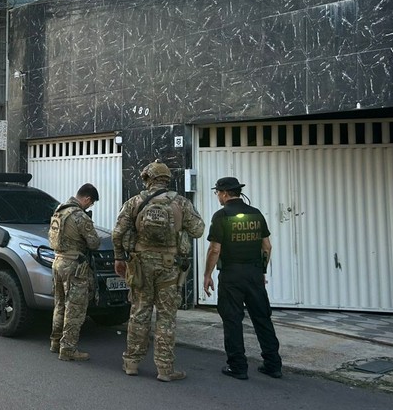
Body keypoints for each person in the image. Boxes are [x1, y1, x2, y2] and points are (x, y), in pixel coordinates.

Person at [113, 161, 205, 381]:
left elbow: (118, 233)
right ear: (166, 179)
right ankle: (165, 369)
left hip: (140, 266)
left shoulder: (135, 202)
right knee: (166, 317)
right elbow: (198, 230)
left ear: (148, 179)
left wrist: (119, 258)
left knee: (139, 312)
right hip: (169, 266)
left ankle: (131, 363)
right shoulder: (181, 202)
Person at [202, 176, 283, 380]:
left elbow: (214, 249)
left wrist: (207, 275)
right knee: (262, 318)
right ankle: (273, 364)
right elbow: (267, 246)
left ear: (225, 193)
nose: (217, 196)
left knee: (232, 319)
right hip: (254, 273)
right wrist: (261, 271)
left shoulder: (221, 216)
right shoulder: (255, 214)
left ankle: (238, 366)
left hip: (232, 275)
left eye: (218, 192)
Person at [47, 183, 100, 362]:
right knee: (75, 308)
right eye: (90, 203)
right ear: (86, 199)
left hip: (58, 261)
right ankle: (68, 349)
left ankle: (55, 342)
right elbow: (94, 243)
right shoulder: (79, 216)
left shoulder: (59, 211)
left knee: (60, 304)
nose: (89, 207)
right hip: (73, 265)